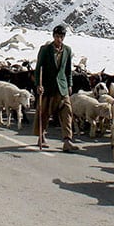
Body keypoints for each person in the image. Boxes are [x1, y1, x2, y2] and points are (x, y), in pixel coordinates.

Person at [34, 24, 78, 152]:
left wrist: (69, 84)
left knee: (67, 113)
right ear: (53, 36)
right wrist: (38, 84)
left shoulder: (67, 50)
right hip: (48, 86)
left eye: (61, 37)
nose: (59, 39)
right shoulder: (45, 49)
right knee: (44, 112)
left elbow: (68, 70)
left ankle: (67, 140)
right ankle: (41, 136)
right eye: (57, 36)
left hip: (62, 87)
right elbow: (38, 68)